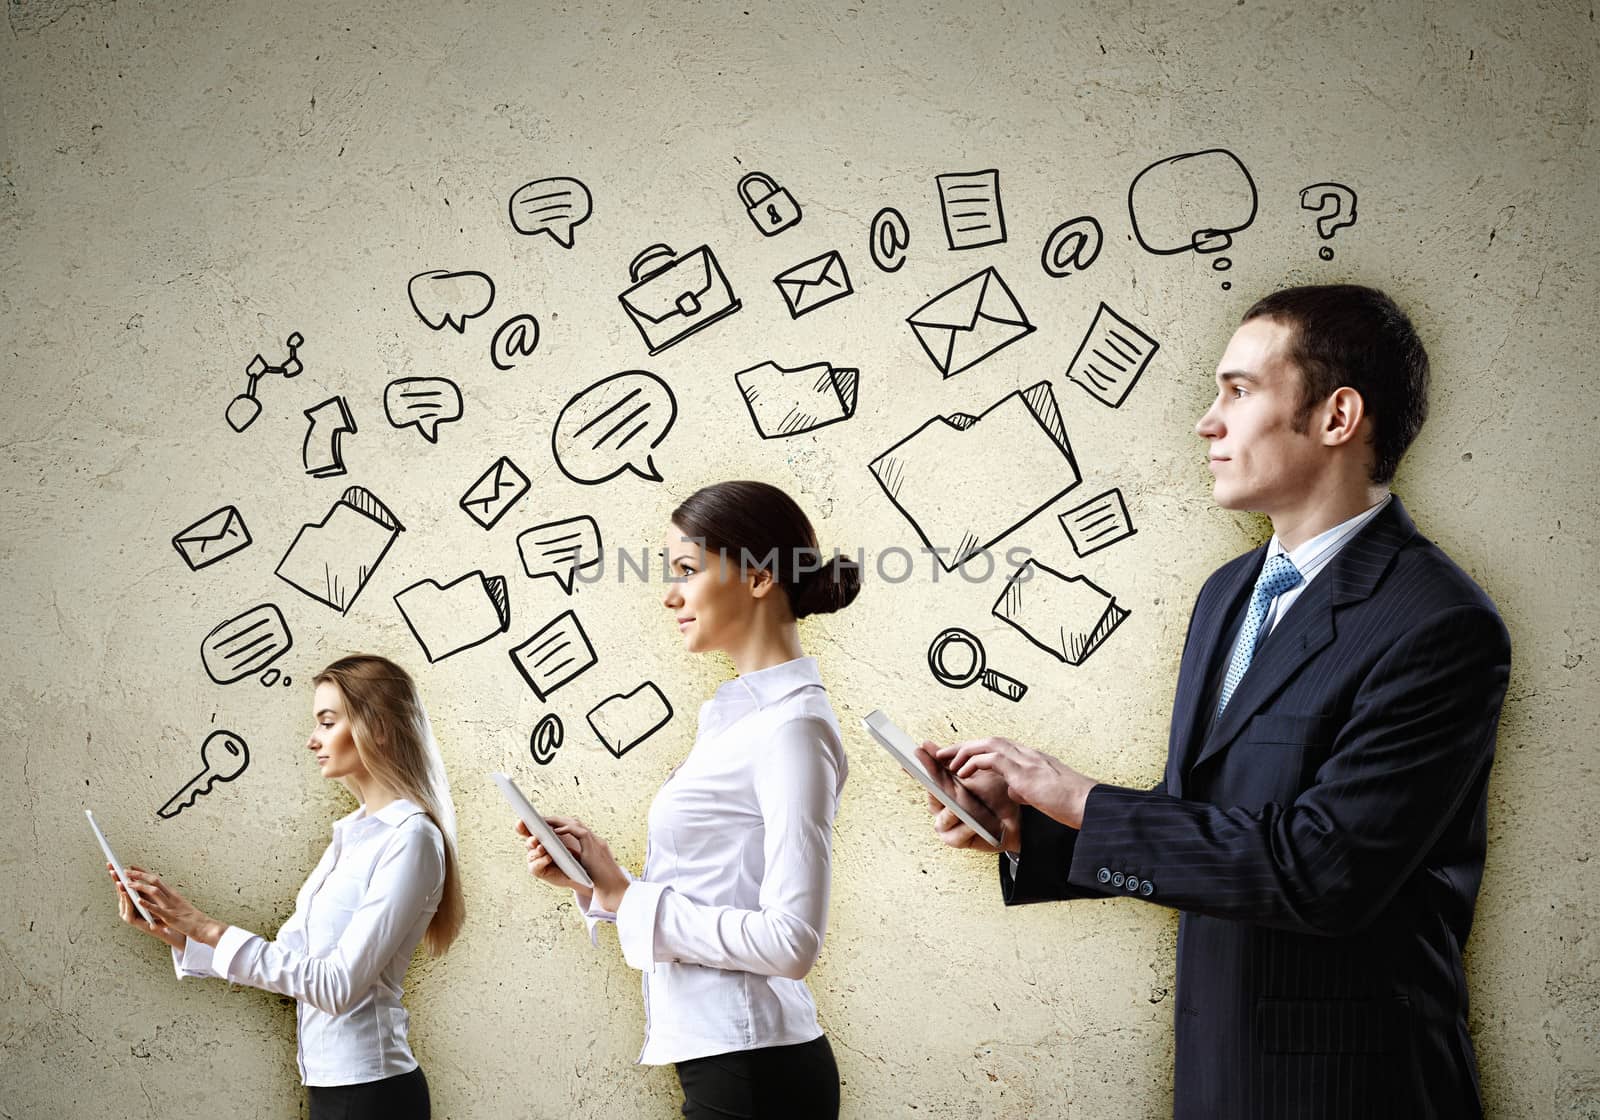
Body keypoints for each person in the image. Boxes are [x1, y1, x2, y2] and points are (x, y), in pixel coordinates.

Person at [925, 285, 1511, 1119]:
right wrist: (1032, 830)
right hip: (1218, 1075)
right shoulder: (1229, 595)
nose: (1207, 421)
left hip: (1353, 1092)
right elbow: (1211, 820)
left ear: (1338, 416)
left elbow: (1321, 870)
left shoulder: (1440, 623)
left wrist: (1082, 796)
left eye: (1238, 391)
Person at [516, 480, 859, 1119]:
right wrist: (600, 883)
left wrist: (628, 896)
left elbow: (792, 943)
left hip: (757, 1077)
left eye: (687, 569)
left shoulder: (792, 730)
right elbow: (714, 892)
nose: (671, 594)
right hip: (728, 1066)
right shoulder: (737, 717)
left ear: (759, 578)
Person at [109, 655, 464, 1120]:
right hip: (331, 1087)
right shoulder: (352, 835)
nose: (312, 739)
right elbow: (291, 960)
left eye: (327, 721)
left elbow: (337, 986)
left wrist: (208, 928)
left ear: (377, 727)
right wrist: (179, 934)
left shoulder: (411, 839)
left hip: (373, 1094)